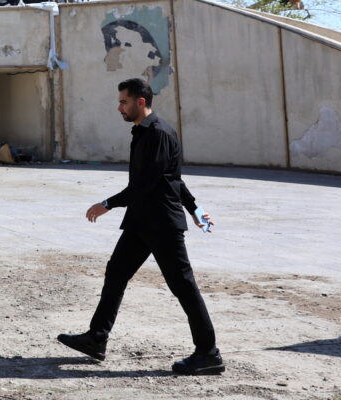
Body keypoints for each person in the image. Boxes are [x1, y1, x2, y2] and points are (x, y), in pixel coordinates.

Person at [57, 78, 224, 375]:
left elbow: (150, 182)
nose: (119, 107)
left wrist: (108, 203)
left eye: (124, 102)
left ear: (141, 102)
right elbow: (171, 179)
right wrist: (195, 209)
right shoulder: (143, 132)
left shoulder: (158, 133)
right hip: (141, 221)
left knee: (183, 285)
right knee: (116, 273)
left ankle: (208, 353)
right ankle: (96, 338)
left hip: (161, 223)